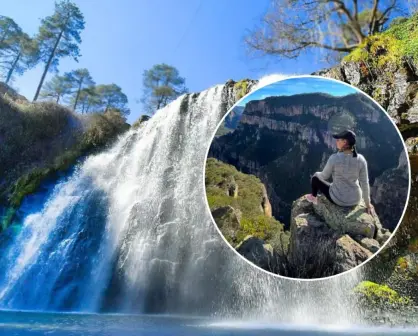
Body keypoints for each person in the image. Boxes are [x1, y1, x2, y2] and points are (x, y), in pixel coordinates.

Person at [306, 129, 374, 215]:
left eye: (338, 140)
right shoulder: (361, 159)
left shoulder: (334, 158)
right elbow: (364, 183)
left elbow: (324, 176)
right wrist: (368, 204)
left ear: (345, 142)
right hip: (355, 199)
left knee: (315, 178)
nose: (336, 142)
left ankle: (313, 197)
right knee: (332, 185)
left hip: (339, 199)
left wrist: (316, 174)